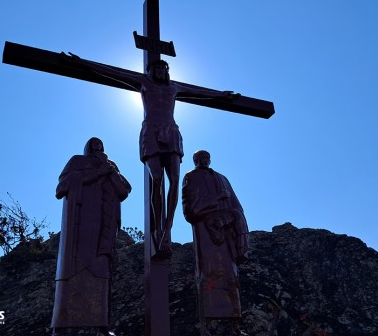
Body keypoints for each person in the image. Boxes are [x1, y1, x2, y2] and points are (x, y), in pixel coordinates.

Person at [62, 52, 238, 255]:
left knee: (174, 180)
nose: (161, 71)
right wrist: (82, 62)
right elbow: (112, 72)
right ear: (151, 71)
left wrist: (222, 95)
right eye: (157, 69)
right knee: (156, 179)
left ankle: (167, 228)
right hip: (150, 133)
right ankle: (158, 227)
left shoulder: (174, 87)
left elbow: (198, 91)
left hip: (171, 133)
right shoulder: (143, 82)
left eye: (164, 69)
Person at [51, 137, 131, 336]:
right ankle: (60, 327)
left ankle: (101, 325)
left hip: (103, 228)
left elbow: (124, 190)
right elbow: (62, 187)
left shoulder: (111, 165)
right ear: (87, 148)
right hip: (80, 226)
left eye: (100, 145)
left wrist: (109, 170)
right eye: (94, 144)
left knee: (102, 272)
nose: (98, 147)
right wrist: (96, 173)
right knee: (71, 271)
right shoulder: (77, 161)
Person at [182, 150, 249, 336]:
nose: (202, 160)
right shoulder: (190, 177)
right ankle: (207, 326)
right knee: (208, 276)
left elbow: (236, 205)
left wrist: (232, 219)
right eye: (198, 158)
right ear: (194, 161)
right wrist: (216, 198)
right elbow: (190, 210)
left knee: (231, 278)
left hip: (226, 232)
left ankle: (235, 326)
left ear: (210, 159)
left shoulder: (222, 178)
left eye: (205, 157)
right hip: (206, 234)